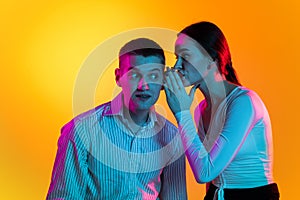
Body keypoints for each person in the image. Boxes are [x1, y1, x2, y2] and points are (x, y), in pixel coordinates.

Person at [46, 38, 187, 199]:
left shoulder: (172, 137)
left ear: (163, 81)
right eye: (134, 75)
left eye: (153, 76)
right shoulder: (81, 131)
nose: (144, 85)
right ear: (118, 77)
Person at [164, 21, 280, 200]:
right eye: (176, 59)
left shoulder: (244, 103)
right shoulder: (201, 109)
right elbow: (209, 178)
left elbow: (205, 172)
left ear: (212, 60)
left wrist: (181, 113)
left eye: (185, 57)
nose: (177, 66)